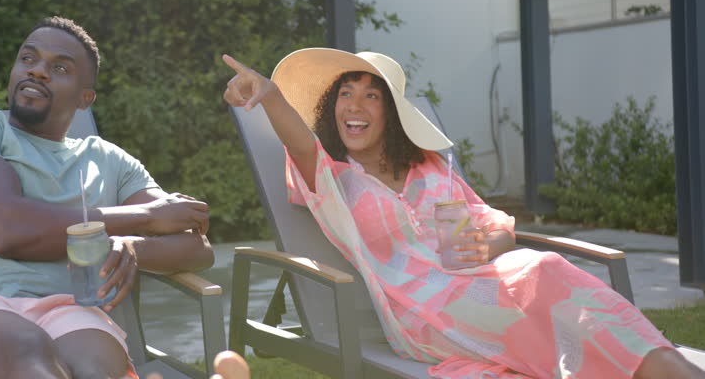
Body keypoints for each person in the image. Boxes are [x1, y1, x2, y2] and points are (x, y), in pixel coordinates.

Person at [222, 48, 705, 379]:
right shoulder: (331, 178)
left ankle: (665, 366)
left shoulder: (428, 167)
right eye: (346, 93)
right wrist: (270, 95)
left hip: (484, 282)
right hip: (423, 312)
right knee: (553, 285)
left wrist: (492, 243)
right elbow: (297, 139)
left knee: (547, 273)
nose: (356, 105)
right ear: (332, 107)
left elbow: (484, 227)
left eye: (372, 95)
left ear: (389, 112)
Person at [0, 16, 214, 379]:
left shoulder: (108, 160)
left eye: (60, 67)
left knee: (94, 368)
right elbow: (5, 230)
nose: (37, 71)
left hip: (67, 310)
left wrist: (132, 247)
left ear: (86, 99)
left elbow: (196, 246)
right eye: (28, 59)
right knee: (26, 352)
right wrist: (144, 218)